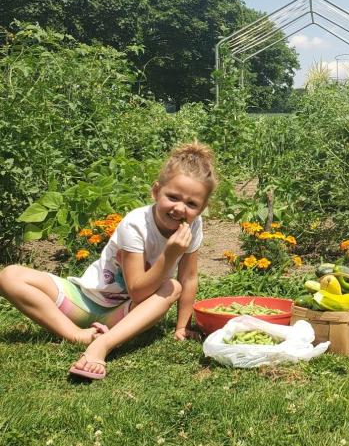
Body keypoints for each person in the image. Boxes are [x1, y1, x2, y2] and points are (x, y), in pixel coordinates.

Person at [0, 142, 217, 380]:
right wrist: (170, 255)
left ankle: (102, 345)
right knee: (9, 275)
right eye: (173, 197)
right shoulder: (136, 223)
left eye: (191, 204)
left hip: (127, 315)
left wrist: (181, 327)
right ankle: (77, 335)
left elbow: (188, 277)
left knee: (173, 286)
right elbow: (137, 289)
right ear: (156, 192)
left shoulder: (193, 227)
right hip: (86, 300)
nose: (179, 208)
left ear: (202, 208)